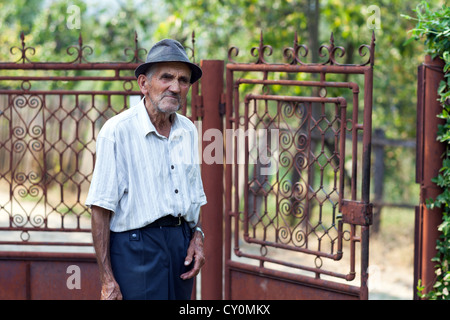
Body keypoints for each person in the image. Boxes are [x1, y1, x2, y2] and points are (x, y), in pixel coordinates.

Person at [85, 39, 207, 300]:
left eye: (183, 80)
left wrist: (197, 237)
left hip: (180, 247)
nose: (175, 87)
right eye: (166, 77)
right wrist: (107, 279)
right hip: (135, 249)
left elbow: (195, 196)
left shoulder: (188, 131)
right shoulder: (117, 131)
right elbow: (100, 208)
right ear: (143, 83)